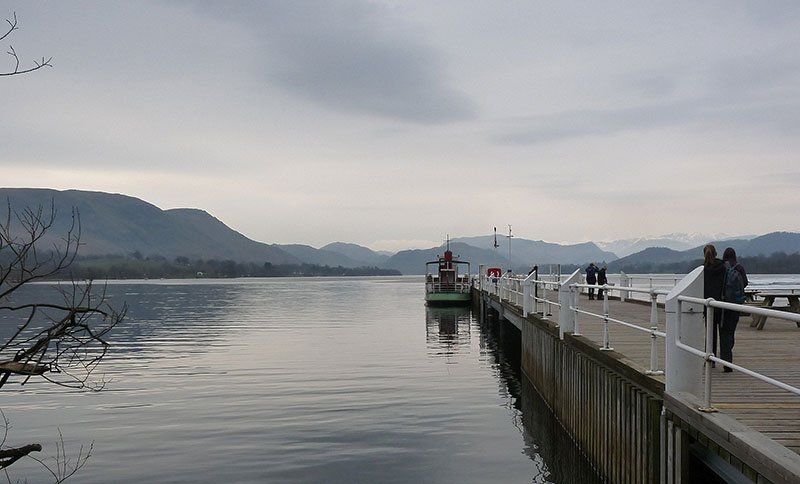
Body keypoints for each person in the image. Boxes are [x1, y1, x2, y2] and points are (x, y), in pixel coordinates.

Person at [720, 247, 748, 372]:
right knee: (731, 332)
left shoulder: (722, 267)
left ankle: (722, 359)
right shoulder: (739, 267)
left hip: (723, 304)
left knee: (723, 332)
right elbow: (745, 283)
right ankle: (728, 360)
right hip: (735, 304)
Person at [702, 244, 726, 367]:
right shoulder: (723, 267)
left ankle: (710, 358)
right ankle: (726, 360)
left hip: (707, 304)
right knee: (724, 333)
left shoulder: (703, 269)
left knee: (710, 332)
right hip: (721, 303)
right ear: (716, 253)